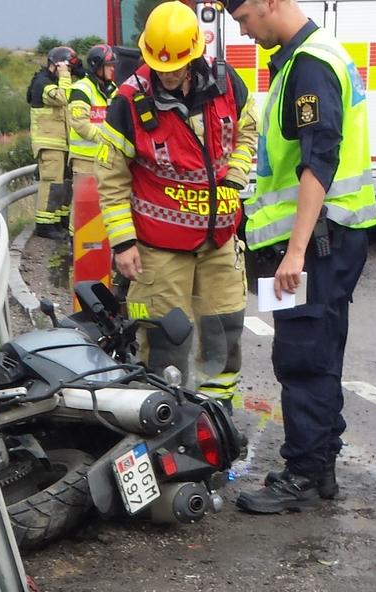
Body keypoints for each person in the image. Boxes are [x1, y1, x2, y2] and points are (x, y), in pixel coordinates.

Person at [226, 0, 376, 514]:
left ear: (270, 3)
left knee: (303, 357)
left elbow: (320, 159)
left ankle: (305, 473)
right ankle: (321, 464)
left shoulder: (310, 64)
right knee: (319, 351)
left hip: (312, 245)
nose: (244, 33)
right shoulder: (309, 57)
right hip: (322, 242)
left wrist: (294, 251)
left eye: (245, 19)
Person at [96, 0, 256, 406]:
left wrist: (236, 174)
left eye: (176, 67)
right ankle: (167, 422)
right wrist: (122, 243)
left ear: (195, 55)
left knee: (225, 331)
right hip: (159, 249)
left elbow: (248, 131)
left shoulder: (226, 83)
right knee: (166, 341)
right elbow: (111, 180)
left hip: (218, 240)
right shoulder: (129, 102)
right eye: (159, 66)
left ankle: (216, 419)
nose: (167, 75)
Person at [27, 46, 81, 238]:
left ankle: (58, 220)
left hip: (62, 144)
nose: (69, 72)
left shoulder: (54, 82)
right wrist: (65, 75)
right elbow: (63, 98)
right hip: (49, 144)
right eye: (67, 67)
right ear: (57, 65)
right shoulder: (42, 83)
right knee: (51, 184)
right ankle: (44, 225)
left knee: (63, 185)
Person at [69, 44, 117, 183]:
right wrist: (107, 139)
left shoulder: (112, 89)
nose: (112, 68)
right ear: (98, 66)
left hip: (106, 158)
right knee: (86, 203)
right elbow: (80, 124)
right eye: (109, 65)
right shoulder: (81, 89)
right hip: (84, 161)